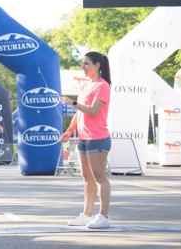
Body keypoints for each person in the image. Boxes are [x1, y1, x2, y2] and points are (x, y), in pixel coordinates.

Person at [61, 52, 112, 229]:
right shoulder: (85, 85)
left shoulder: (102, 86)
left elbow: (93, 111)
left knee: (100, 177)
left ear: (97, 65)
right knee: (87, 177)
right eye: (83, 64)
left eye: (87, 64)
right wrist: (69, 131)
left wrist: (73, 103)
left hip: (97, 138)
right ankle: (86, 214)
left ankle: (104, 216)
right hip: (83, 138)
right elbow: (79, 114)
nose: (83, 66)